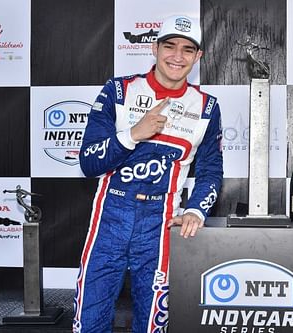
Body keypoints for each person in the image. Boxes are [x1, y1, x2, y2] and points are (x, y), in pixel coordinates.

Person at [72, 14, 223, 333]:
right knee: (89, 320)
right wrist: (132, 134)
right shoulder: (118, 90)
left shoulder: (206, 107)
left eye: (187, 49)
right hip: (111, 216)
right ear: (154, 48)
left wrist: (196, 208)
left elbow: (210, 170)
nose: (177, 56)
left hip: (161, 221)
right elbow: (88, 162)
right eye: (169, 46)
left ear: (198, 57)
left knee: (154, 322)